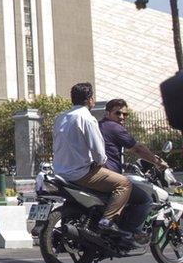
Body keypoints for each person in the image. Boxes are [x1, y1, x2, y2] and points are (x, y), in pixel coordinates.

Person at [52, 83, 134, 240]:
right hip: (81, 173)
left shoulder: (60, 118)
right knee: (124, 184)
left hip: (60, 172)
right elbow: (98, 151)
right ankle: (107, 221)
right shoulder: (87, 118)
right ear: (90, 100)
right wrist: (100, 162)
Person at [98, 98, 166, 239]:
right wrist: (157, 161)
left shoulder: (99, 126)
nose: (122, 117)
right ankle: (129, 233)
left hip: (97, 173)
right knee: (144, 199)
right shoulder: (114, 127)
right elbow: (138, 148)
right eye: (118, 113)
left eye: (125, 114)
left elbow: (108, 151)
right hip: (109, 177)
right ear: (108, 113)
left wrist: (122, 165)